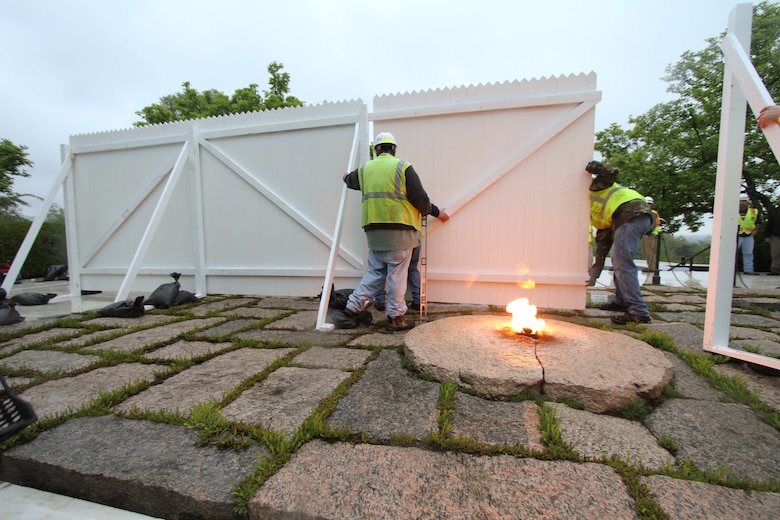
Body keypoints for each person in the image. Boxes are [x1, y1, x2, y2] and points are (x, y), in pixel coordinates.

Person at [335, 132, 432, 331]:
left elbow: (350, 181)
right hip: (400, 231)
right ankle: (396, 318)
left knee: (374, 272)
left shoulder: (364, 169)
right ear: (394, 149)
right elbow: (420, 198)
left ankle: (352, 308)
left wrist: (345, 176)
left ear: (376, 150)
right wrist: (427, 210)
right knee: (396, 275)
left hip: (374, 231)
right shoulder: (403, 167)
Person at [586, 160, 656, 325]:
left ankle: (638, 311)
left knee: (623, 263)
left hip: (631, 213)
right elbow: (602, 252)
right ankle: (621, 301)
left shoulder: (596, 187)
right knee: (619, 260)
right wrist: (594, 274)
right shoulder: (601, 219)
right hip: (635, 217)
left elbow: (612, 171)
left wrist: (594, 167)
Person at [374, 204, 449, 311]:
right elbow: (421, 200)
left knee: (381, 268)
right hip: (411, 234)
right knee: (412, 268)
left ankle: (380, 300)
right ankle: (418, 301)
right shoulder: (405, 189)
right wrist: (437, 212)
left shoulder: (378, 191)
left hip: (382, 233)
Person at [737, 194, 759, 275]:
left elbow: (758, 222)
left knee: (748, 253)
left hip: (749, 235)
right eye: (740, 201)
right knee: (732, 253)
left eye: (743, 201)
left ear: (747, 202)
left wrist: (755, 230)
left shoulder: (753, 211)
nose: (742, 203)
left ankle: (748, 269)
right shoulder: (732, 210)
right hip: (736, 235)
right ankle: (729, 269)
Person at [640, 196, 661, 272]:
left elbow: (652, 225)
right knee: (648, 250)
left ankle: (652, 267)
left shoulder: (652, 212)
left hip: (649, 234)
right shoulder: (653, 212)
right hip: (650, 233)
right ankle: (651, 266)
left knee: (649, 251)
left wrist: (647, 232)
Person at [764, 201, 780, 276]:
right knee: (775, 253)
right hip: (776, 235)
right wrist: (767, 235)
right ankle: (775, 269)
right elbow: (770, 223)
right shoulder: (775, 211)